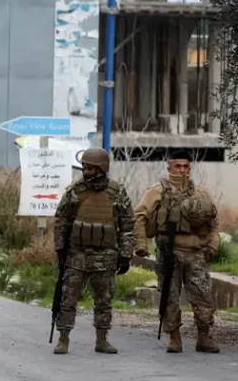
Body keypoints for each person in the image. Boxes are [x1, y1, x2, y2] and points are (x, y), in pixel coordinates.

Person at [133, 148, 221, 354]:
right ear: (169, 166)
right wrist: (140, 244)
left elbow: (213, 223)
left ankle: (204, 337)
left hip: (195, 254)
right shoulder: (157, 191)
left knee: (203, 296)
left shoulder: (201, 193)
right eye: (178, 166)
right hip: (168, 252)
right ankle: (174, 337)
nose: (182, 170)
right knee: (169, 296)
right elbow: (140, 216)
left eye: (185, 167)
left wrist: (212, 245)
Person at [51, 147, 135, 355]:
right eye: (84, 167)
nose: (85, 171)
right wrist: (61, 248)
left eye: (90, 168)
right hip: (77, 256)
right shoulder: (75, 191)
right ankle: (63, 338)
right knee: (67, 299)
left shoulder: (116, 192)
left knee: (104, 301)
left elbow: (127, 224)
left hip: (106, 256)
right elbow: (61, 220)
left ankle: (102, 340)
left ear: (101, 169)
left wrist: (126, 254)